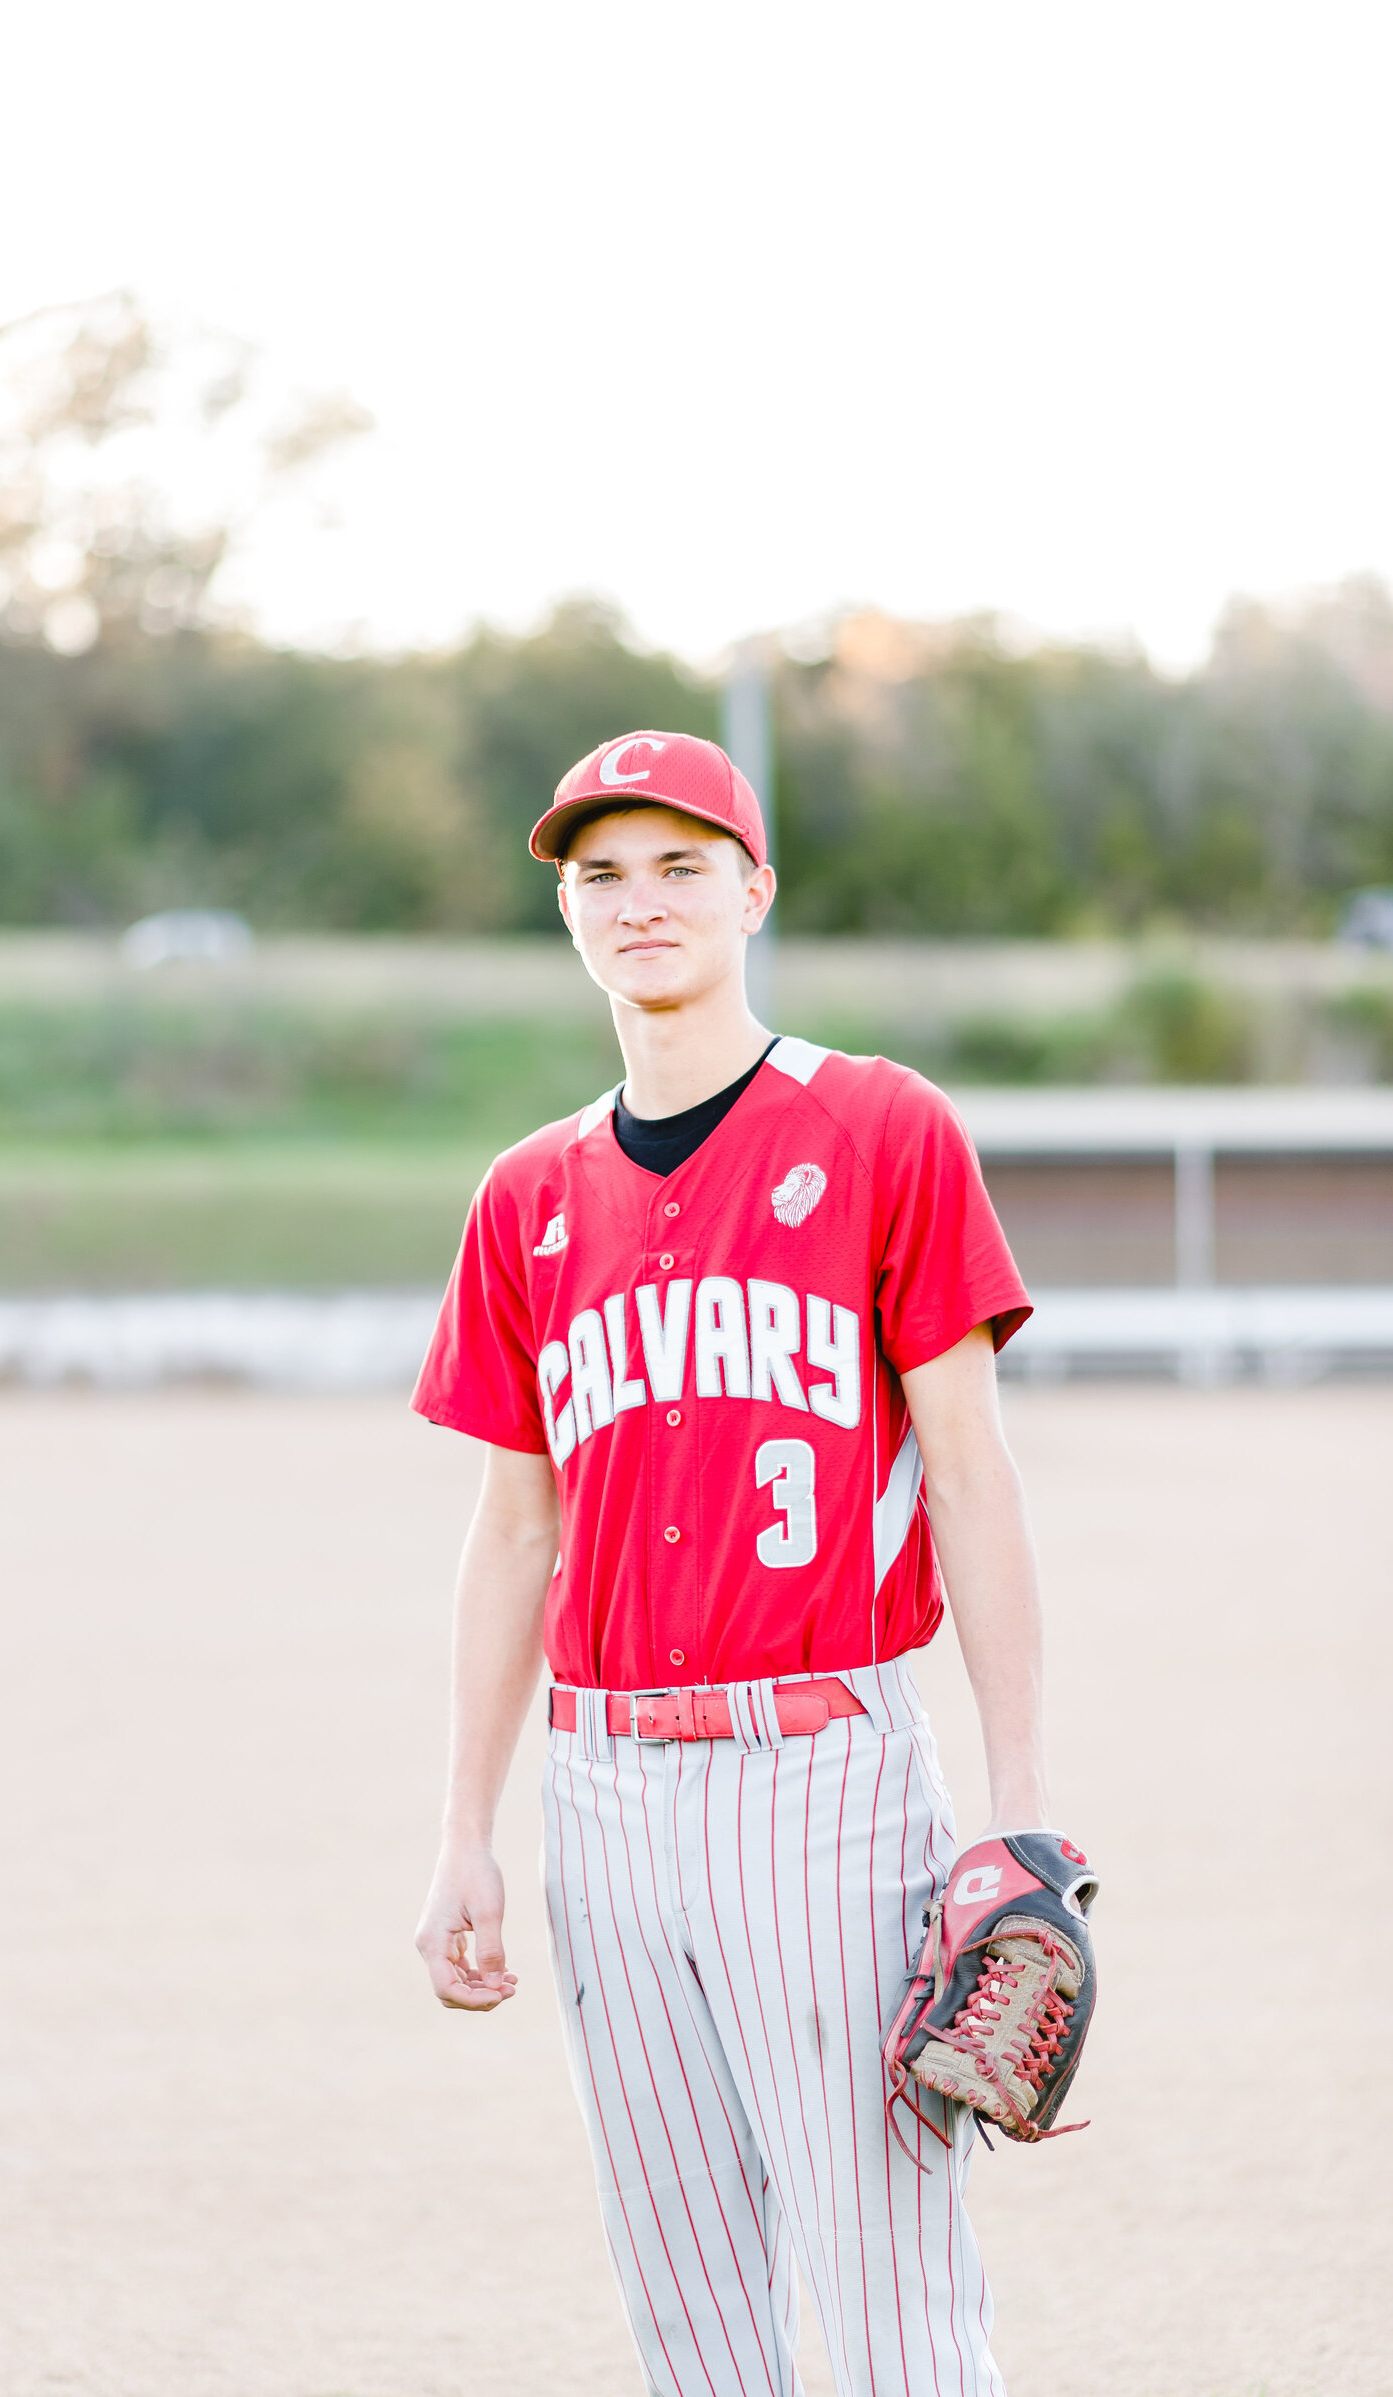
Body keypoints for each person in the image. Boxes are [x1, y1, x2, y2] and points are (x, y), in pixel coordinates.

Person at [411, 728, 1048, 2397]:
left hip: (825, 1770)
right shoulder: (526, 1192)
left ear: (753, 887)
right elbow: (514, 1529)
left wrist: (1023, 1806)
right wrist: (466, 1830)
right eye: (600, 875)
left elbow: (974, 1480)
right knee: (687, 2304)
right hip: (603, 1788)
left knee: (893, 2292)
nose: (641, 903)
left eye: (680, 864)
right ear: (568, 916)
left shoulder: (884, 1125)